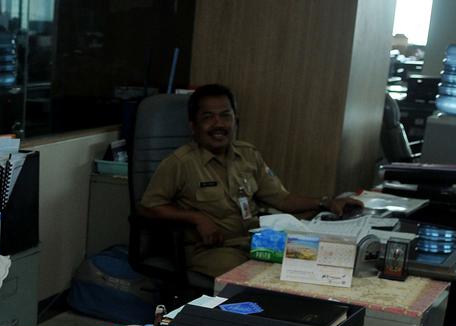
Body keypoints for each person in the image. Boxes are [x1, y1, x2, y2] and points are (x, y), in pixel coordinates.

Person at [137, 84, 362, 278]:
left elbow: (283, 200)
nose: (218, 124)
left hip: (256, 242)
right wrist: (196, 218)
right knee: (260, 279)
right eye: (208, 117)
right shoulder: (180, 162)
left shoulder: (248, 155)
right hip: (212, 251)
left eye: (225, 115)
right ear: (193, 126)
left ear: (236, 121)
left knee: (315, 259)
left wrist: (325, 202)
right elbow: (148, 207)